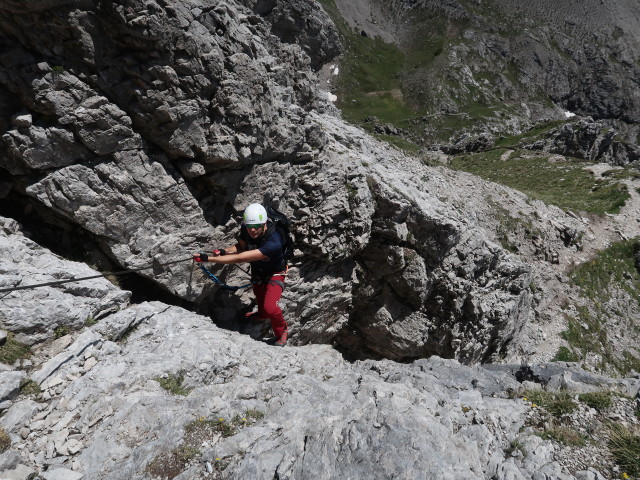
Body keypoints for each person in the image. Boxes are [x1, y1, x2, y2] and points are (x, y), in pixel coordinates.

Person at [194, 203, 289, 347]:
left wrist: (209, 259)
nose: (252, 230)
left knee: (271, 307)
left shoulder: (273, 242)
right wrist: (224, 251)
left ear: (264, 224)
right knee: (259, 294)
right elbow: (240, 247)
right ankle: (262, 315)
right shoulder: (248, 229)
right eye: (250, 226)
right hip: (259, 272)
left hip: (275, 273)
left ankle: (281, 332)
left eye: (257, 226)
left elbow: (241, 257)